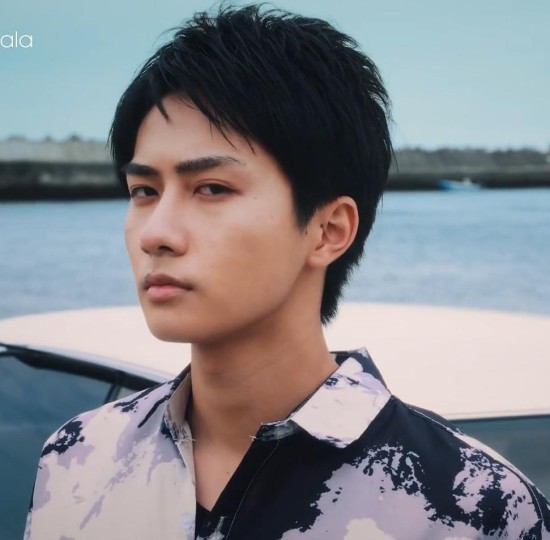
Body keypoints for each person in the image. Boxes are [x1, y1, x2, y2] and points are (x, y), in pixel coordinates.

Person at [25, 5, 550, 539]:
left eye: (211, 189)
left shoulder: (471, 505)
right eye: (144, 191)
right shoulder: (78, 459)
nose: (155, 233)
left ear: (328, 230)